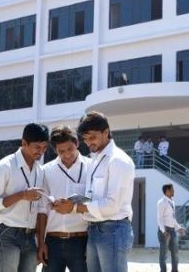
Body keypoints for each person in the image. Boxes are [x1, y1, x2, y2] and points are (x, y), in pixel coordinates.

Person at [54, 111, 135, 272]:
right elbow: (93, 198)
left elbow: (111, 206)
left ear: (106, 133)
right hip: (94, 229)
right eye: (85, 139)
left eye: (92, 137)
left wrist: (74, 208)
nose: (88, 142)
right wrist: (72, 202)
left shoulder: (118, 160)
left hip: (114, 230)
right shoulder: (96, 159)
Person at [0, 123, 48, 272]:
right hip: (6, 234)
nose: (41, 152)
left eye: (44, 148)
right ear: (24, 143)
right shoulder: (4, 167)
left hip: (30, 237)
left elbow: (41, 208)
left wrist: (40, 241)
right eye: (37, 147)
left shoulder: (40, 171)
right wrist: (22, 195)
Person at [36, 125, 90, 272]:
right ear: (55, 150)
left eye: (70, 149)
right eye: (61, 151)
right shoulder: (46, 170)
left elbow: (95, 205)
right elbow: (42, 210)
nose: (66, 155)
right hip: (52, 243)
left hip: (81, 241)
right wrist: (41, 243)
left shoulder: (91, 167)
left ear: (77, 144)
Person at [157, 183, 185, 272]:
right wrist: (163, 231)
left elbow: (173, 218)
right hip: (165, 231)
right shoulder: (161, 202)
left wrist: (179, 228)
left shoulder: (172, 201)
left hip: (172, 231)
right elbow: (159, 218)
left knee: (175, 253)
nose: (174, 191)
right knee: (164, 255)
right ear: (168, 191)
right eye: (172, 189)